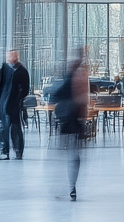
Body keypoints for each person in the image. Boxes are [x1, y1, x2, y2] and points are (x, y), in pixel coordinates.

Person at [50, 51, 92, 201]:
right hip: (76, 121)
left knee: (65, 153)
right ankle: (72, 186)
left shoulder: (68, 78)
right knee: (74, 154)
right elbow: (84, 100)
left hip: (67, 120)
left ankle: (66, 186)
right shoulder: (81, 77)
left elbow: (55, 95)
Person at [0, 49, 32, 160]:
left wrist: (18, 98)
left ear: (16, 56)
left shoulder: (22, 71)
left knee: (16, 129)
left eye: (12, 55)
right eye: (8, 55)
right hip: (4, 104)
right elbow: (1, 88)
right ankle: (4, 151)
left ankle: (18, 151)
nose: (9, 57)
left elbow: (25, 89)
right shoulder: (4, 70)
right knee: (3, 129)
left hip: (14, 105)